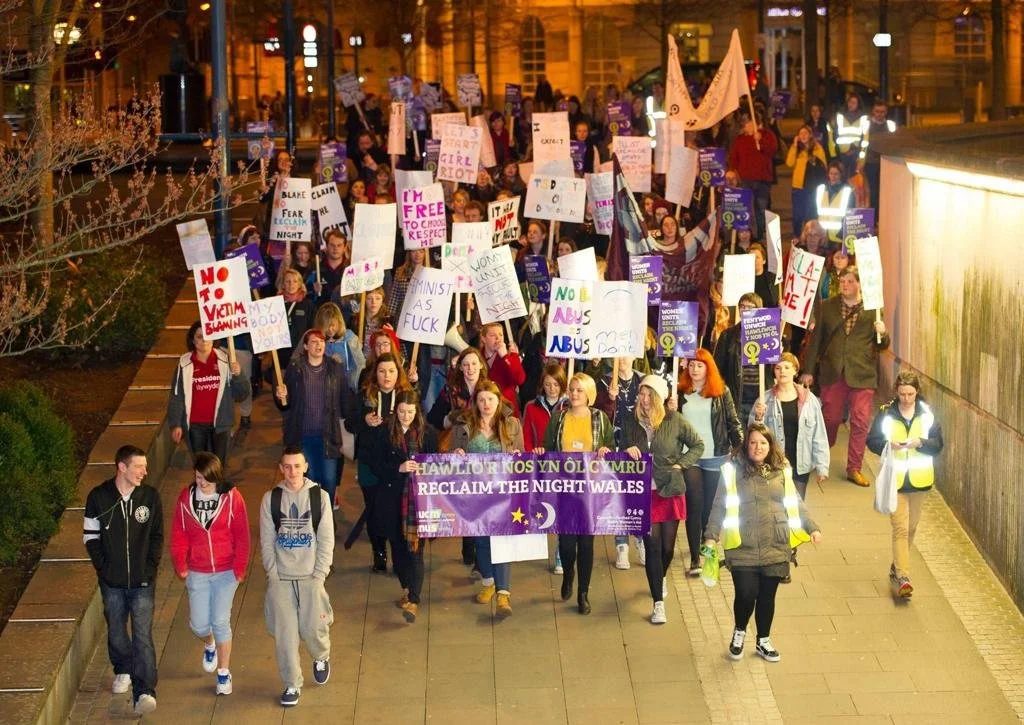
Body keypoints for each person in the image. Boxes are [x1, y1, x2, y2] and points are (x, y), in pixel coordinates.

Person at [704, 424, 822, 662]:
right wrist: (710, 536)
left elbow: (795, 503)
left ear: (771, 446)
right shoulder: (732, 471)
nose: (758, 448)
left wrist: (813, 527)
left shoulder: (782, 471)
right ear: (746, 446)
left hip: (776, 544)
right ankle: (739, 631)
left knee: (767, 597)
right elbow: (719, 505)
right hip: (742, 545)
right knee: (746, 594)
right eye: (753, 442)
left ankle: (763, 640)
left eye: (763, 443)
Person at [82, 445, 163, 715]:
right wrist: (104, 569)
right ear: (122, 467)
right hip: (112, 582)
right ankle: (123, 669)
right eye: (139, 466)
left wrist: (149, 568)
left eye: (145, 466)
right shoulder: (99, 497)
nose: (144, 471)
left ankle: (145, 691)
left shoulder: (150, 497)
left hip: (142, 582)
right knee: (116, 631)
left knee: (143, 635)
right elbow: (90, 537)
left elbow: (156, 537)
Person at [621, 376, 704, 624]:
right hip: (643, 492)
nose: (644, 400)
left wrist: (681, 464)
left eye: (649, 395)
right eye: (642, 394)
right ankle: (658, 602)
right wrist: (626, 451)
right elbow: (620, 446)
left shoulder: (675, 420)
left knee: (667, 548)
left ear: (659, 398)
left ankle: (661, 576)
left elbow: (698, 445)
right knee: (653, 547)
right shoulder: (631, 422)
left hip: (669, 489)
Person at [800, 266, 890, 487]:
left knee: (860, 421)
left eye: (850, 281)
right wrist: (808, 371)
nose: (846, 285)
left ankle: (854, 468)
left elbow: (881, 345)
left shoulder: (873, 308)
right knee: (830, 418)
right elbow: (817, 339)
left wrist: (883, 332)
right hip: (834, 371)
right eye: (843, 282)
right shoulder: (828, 307)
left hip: (862, 373)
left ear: (859, 283)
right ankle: (822, 453)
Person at [169, 452, 250, 696]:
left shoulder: (232, 498)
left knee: (221, 621)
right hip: (198, 571)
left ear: (216, 476)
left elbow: (242, 535)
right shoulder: (186, 498)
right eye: (197, 477)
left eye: (206, 478)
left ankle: (224, 674)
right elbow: (178, 534)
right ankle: (209, 643)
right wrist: (180, 562)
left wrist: (239, 568)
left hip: (226, 571)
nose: (201, 483)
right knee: (199, 624)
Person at [260, 447, 334, 707]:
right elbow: (267, 539)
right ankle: (292, 683)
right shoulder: (271, 498)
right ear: (281, 468)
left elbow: (326, 539)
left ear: (306, 467)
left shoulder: (319, 497)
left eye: (297, 466)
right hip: (281, 578)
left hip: (311, 576)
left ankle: (320, 655)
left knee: (313, 627)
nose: (292, 472)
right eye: (287, 466)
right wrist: (272, 572)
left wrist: (319, 574)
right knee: (285, 634)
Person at [537, 372, 614, 615]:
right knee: (568, 544)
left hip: (590, 491)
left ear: (589, 394)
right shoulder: (558, 419)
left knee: (587, 543)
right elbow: (548, 448)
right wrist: (540, 450)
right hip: (564, 489)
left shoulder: (601, 419)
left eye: (579, 390)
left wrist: (605, 450)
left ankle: (583, 592)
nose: (574, 394)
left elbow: (611, 447)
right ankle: (568, 572)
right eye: (571, 389)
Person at [866, 370, 944, 598]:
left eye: (910, 394)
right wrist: (889, 445)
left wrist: (920, 443)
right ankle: (903, 577)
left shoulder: (927, 416)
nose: (906, 398)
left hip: (919, 481)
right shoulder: (887, 414)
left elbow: (938, 445)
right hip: (896, 480)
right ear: (897, 392)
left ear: (917, 392)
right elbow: (872, 441)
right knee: (900, 528)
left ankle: (896, 565)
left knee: (911, 528)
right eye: (902, 394)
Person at [452, 381, 526, 616]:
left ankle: (504, 595)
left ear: (499, 401)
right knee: (481, 541)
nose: (486, 404)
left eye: (490, 400)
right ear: (476, 402)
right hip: (475, 495)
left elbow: (522, 458)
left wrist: (517, 456)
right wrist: (457, 454)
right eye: (481, 400)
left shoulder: (512, 424)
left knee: (501, 541)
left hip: (503, 494)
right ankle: (488, 582)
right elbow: (453, 459)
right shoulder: (464, 426)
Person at [367, 390, 439, 621]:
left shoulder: (427, 434)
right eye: (401, 412)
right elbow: (374, 463)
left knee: (416, 551)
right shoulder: (383, 433)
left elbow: (436, 463)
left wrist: (425, 470)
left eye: (410, 412)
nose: (406, 416)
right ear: (395, 411)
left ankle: (414, 599)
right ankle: (408, 588)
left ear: (417, 411)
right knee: (398, 549)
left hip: (419, 501)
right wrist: (397, 469)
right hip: (392, 499)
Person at [678, 349, 744, 576]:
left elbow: (733, 422)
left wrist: (741, 449)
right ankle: (695, 558)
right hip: (690, 456)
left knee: (710, 507)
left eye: (700, 365)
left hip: (716, 456)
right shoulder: (679, 392)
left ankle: (706, 548)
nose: (694, 369)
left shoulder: (720, 392)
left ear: (709, 368)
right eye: (692, 365)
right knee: (694, 506)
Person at [274, 330, 348, 508]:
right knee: (311, 479)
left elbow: (345, 398)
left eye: (322, 342)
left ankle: (327, 516)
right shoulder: (296, 368)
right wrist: (280, 395)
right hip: (303, 436)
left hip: (328, 435)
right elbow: (286, 403)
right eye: (314, 342)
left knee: (330, 479)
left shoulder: (335, 368)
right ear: (306, 346)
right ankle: (313, 517)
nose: (319, 345)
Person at [168, 322, 250, 465]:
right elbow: (177, 396)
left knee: (218, 467)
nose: (204, 340)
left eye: (207, 336)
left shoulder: (226, 360)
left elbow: (242, 394)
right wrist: (175, 424)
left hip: (221, 424)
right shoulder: (184, 364)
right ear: (193, 340)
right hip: (194, 426)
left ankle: (217, 488)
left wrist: (238, 375)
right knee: (201, 466)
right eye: (199, 337)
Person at [751, 352, 829, 501]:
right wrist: (758, 417)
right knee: (776, 507)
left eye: (787, 367)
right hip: (774, 464)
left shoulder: (809, 400)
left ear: (795, 370)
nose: (783, 372)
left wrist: (822, 466)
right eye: (778, 368)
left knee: (797, 508)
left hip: (801, 464)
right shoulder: (764, 399)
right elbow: (753, 433)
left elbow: (819, 434)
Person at [596, 356, 648, 570]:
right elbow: (598, 414)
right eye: (620, 354)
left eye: (628, 353)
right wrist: (609, 399)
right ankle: (621, 544)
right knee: (618, 494)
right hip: (615, 444)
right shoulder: (603, 381)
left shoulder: (644, 380)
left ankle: (640, 538)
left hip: (637, 446)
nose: (623, 359)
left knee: (637, 493)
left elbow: (653, 407)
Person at [714, 293, 775, 425]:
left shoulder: (769, 334)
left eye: (750, 307)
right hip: (736, 398)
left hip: (761, 398)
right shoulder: (727, 336)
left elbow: (775, 371)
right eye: (742, 306)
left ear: (759, 310)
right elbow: (716, 370)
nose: (745, 310)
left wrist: (778, 353)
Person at [726, 114, 778, 240]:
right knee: (746, 209)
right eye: (744, 124)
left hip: (762, 180)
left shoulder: (766, 135)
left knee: (760, 209)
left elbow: (772, 150)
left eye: (748, 123)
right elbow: (734, 158)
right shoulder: (740, 140)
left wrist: (761, 140)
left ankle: (759, 236)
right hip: (745, 181)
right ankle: (747, 235)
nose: (746, 127)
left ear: (756, 124)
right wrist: (732, 171)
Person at [785, 124, 828, 237]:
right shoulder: (797, 149)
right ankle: (797, 236)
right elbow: (789, 163)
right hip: (798, 187)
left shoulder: (817, 148)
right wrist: (794, 145)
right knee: (798, 215)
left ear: (810, 135)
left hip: (812, 188)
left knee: (810, 214)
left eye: (805, 133)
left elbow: (823, 166)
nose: (803, 136)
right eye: (800, 134)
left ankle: (810, 236)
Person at [479, 322, 526, 417]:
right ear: (483, 338)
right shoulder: (477, 356)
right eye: (492, 335)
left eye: (501, 335)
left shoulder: (511, 356)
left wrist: (505, 356)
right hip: (484, 409)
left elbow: (520, 379)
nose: (498, 338)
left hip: (506, 411)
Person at [859, 100, 896, 216]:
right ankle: (875, 217)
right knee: (873, 191)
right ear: (873, 112)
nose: (880, 114)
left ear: (886, 112)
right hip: (871, 162)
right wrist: (860, 162)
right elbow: (862, 144)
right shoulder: (867, 125)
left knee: (885, 190)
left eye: (882, 111)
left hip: (887, 162)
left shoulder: (890, 125)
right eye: (877, 111)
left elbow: (895, 143)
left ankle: (884, 215)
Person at [815, 161, 853, 245]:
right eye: (831, 173)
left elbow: (850, 215)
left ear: (841, 175)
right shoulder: (821, 189)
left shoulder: (847, 191)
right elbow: (815, 212)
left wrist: (842, 234)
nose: (833, 176)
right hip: (822, 235)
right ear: (828, 174)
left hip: (838, 238)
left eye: (836, 174)